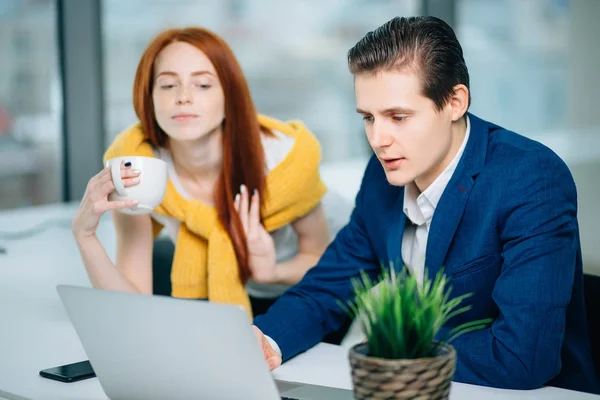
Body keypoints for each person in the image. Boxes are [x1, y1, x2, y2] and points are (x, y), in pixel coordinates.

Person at [253, 16, 600, 394]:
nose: (378, 139)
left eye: (398, 117)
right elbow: (329, 287)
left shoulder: (530, 178)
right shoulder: (383, 174)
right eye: (368, 118)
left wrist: (395, 351)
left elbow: (521, 356)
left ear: (454, 102)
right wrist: (267, 342)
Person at [71, 27, 342, 319]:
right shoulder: (137, 167)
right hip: (221, 286)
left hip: (306, 285)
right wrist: (85, 236)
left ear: (230, 97)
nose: (183, 97)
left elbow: (321, 261)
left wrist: (271, 271)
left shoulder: (282, 158)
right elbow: (131, 303)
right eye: (167, 85)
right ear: (148, 98)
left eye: (202, 85)